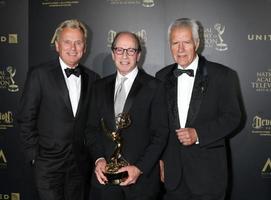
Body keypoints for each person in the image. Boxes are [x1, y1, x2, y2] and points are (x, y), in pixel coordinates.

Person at [156, 18, 242, 200]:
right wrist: (161, 159)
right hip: (173, 177)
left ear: (197, 43)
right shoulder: (161, 77)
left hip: (208, 177)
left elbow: (233, 117)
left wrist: (198, 134)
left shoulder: (223, 75)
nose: (180, 49)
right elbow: (160, 125)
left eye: (186, 42)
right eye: (175, 43)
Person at [17, 19, 100, 200]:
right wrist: (35, 157)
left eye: (78, 42)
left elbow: (92, 124)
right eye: (67, 42)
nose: (73, 47)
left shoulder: (93, 79)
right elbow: (26, 118)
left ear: (84, 47)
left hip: (79, 166)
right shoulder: (39, 74)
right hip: (47, 165)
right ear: (57, 45)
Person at [85, 31, 169, 200]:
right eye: (119, 50)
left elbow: (160, 135)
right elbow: (90, 130)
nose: (124, 55)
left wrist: (139, 167)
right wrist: (99, 159)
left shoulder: (156, 87)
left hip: (141, 184)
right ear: (112, 54)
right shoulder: (98, 87)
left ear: (138, 55)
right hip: (105, 183)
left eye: (131, 50)